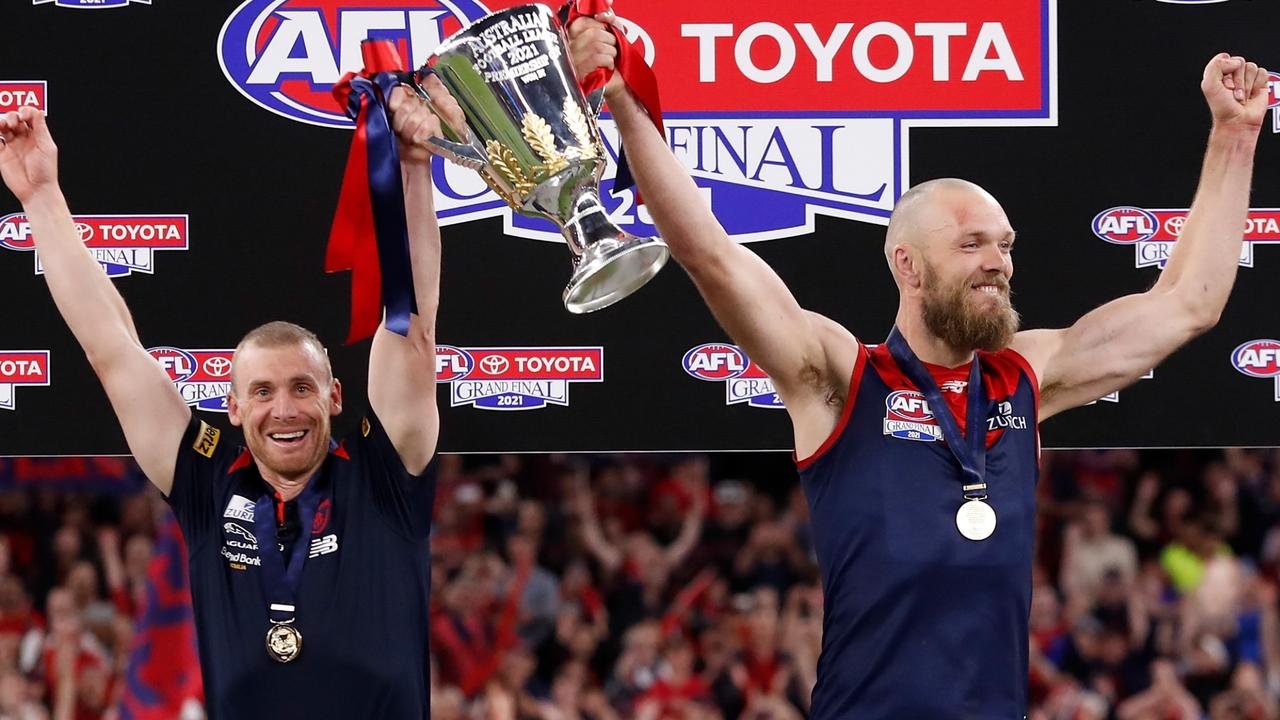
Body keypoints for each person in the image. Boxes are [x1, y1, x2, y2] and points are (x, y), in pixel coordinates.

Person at [568, 16, 1270, 718]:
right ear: (908, 264)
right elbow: (713, 255)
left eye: (1004, 244)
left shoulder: (1027, 374)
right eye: (971, 244)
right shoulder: (840, 378)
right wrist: (628, 103)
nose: (998, 262)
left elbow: (1188, 303)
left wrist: (1235, 135)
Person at [0, 76, 466, 717]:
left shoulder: (386, 473)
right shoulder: (205, 477)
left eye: (302, 388)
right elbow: (112, 350)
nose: (285, 409)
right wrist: (42, 195)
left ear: (333, 397)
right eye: (264, 391)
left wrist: (412, 168)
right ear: (234, 407)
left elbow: (412, 325)